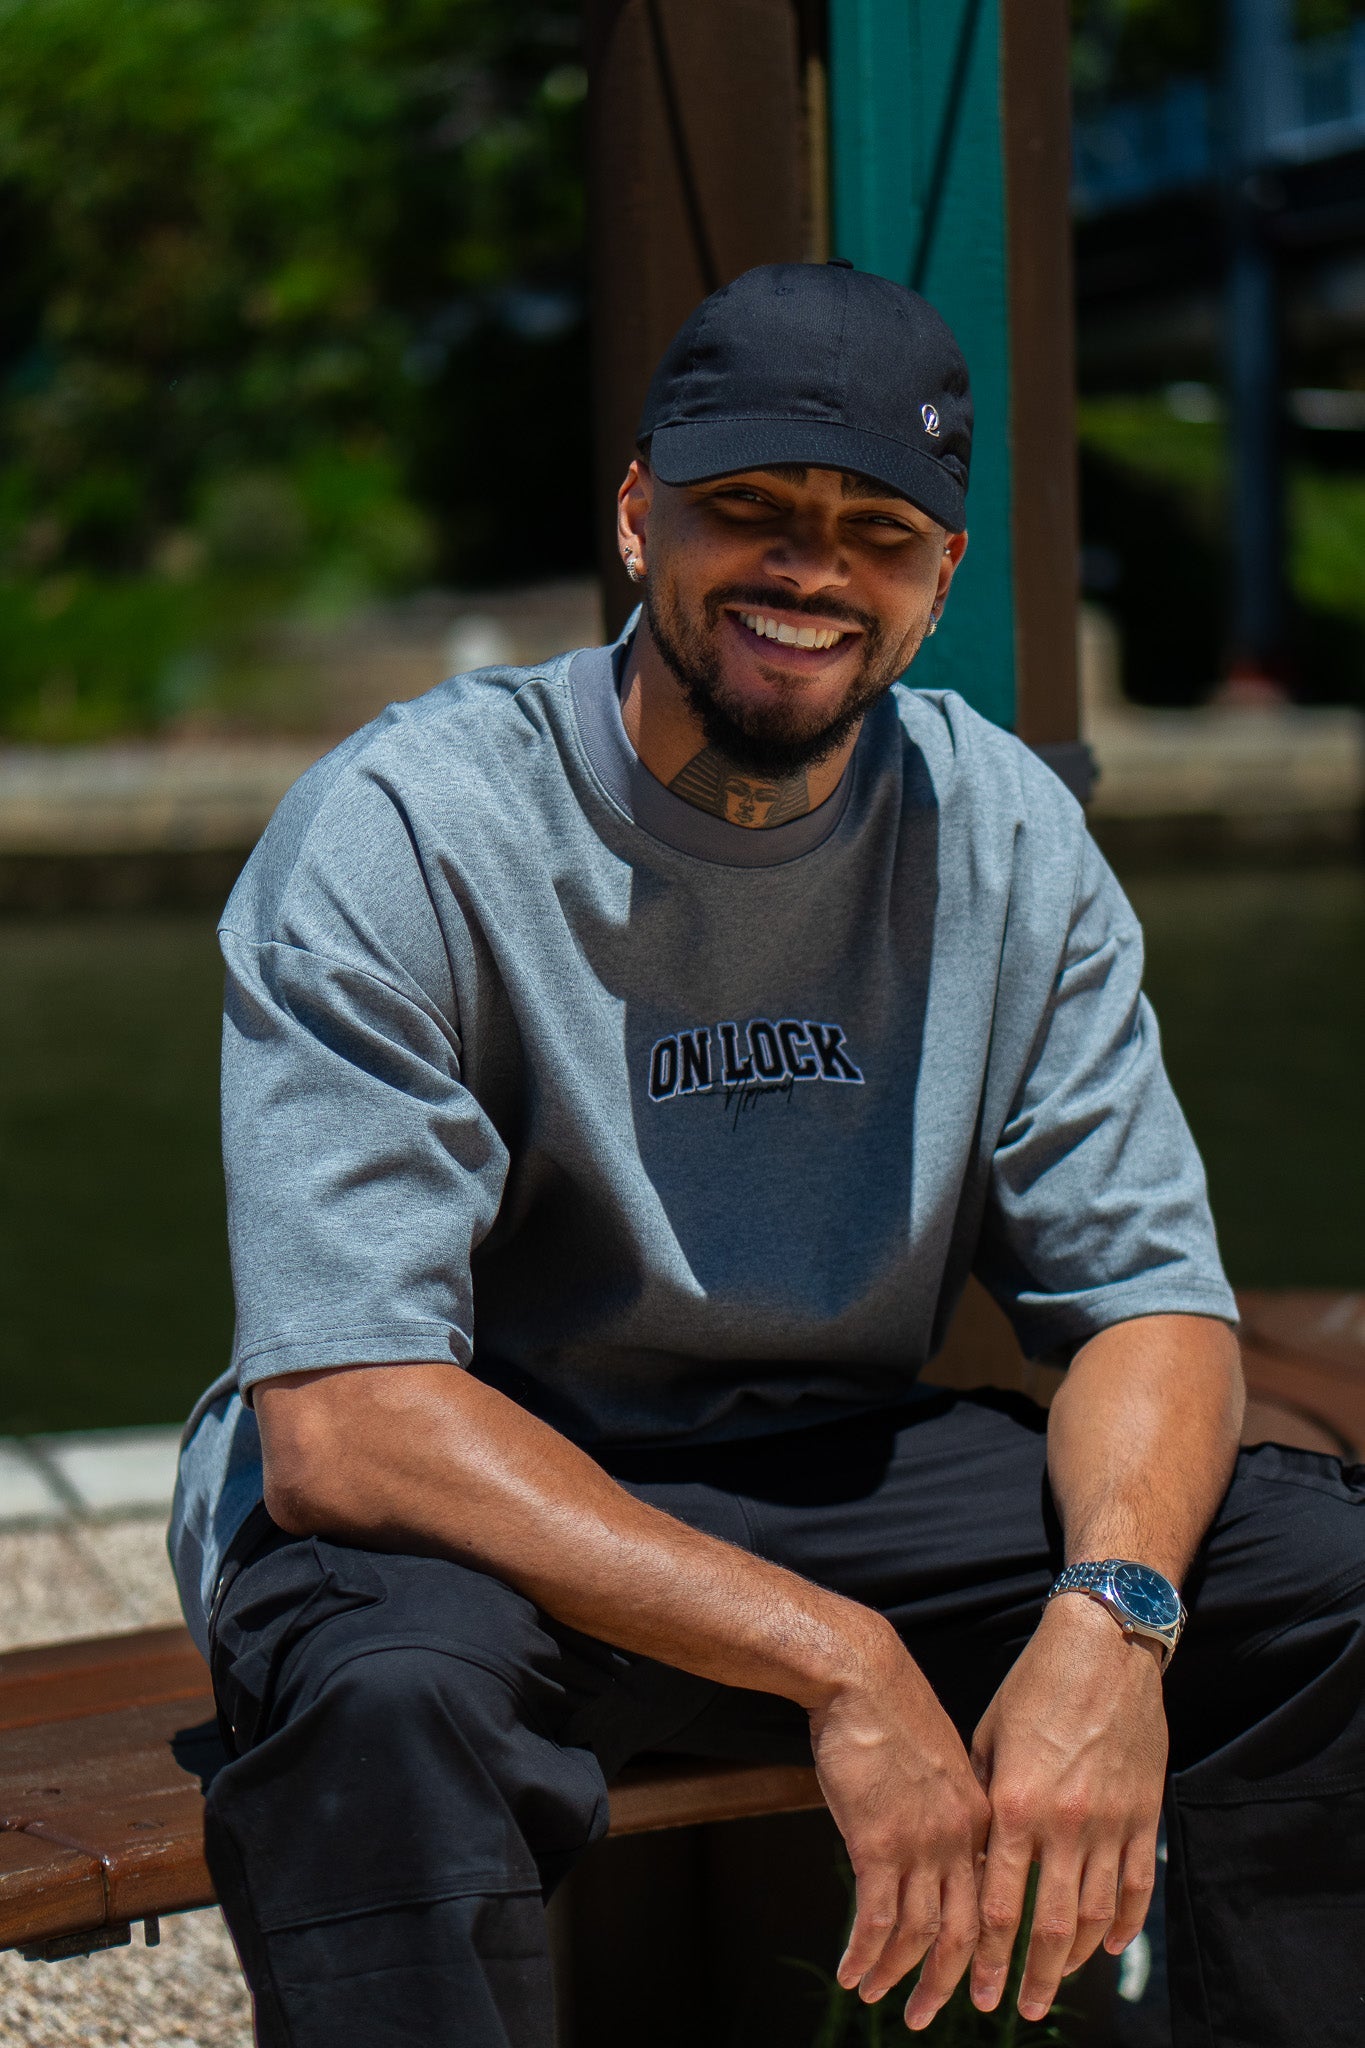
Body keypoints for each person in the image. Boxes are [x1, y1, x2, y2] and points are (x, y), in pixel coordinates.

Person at [169, 262, 1364, 2048]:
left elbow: (1146, 1308)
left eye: (875, 532)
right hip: (477, 1479)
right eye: (750, 509)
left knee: (1319, 1580)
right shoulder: (406, 823)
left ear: (940, 578)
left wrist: (1106, 1620)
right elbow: (347, 1425)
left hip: (826, 1460)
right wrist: (837, 1653)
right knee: (384, 1694)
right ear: (638, 515)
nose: (810, 572)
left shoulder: (1003, 831)